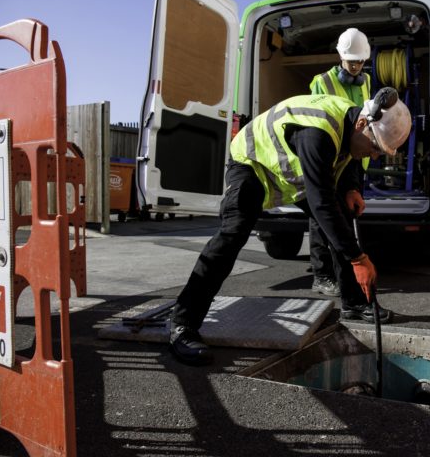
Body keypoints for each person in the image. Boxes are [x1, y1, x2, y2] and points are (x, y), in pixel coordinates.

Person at [169, 88, 412, 365]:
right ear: (362, 125)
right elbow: (321, 203)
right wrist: (358, 258)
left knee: (340, 216)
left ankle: (355, 305)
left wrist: (352, 188)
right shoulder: (317, 132)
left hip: (289, 173)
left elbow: (350, 156)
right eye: (375, 147)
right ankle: (183, 324)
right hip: (253, 163)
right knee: (232, 235)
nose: (375, 155)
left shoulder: (354, 120)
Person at [306, 28, 371, 297]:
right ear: (340, 57)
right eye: (351, 61)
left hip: (354, 158)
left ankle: (345, 274)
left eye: (360, 62)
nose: (355, 67)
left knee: (345, 215)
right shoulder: (321, 82)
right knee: (322, 217)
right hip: (331, 156)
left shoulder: (365, 80)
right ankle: (322, 276)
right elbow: (316, 121)